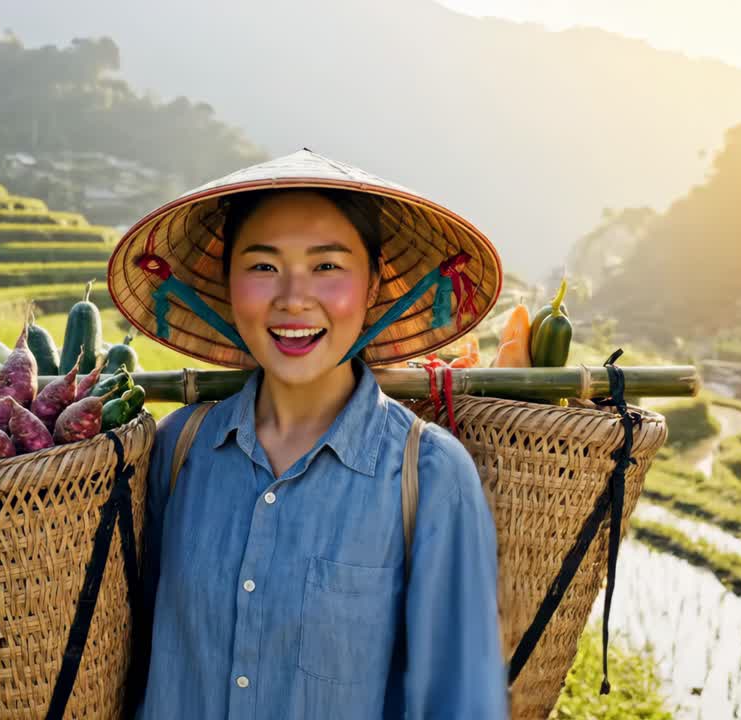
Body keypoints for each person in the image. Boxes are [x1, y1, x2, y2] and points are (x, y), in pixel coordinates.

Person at [107, 149, 508, 719]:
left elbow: (460, 703)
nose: (293, 297)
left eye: (326, 267)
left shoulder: (430, 475)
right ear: (227, 284)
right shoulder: (179, 450)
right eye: (263, 266)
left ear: (373, 288)